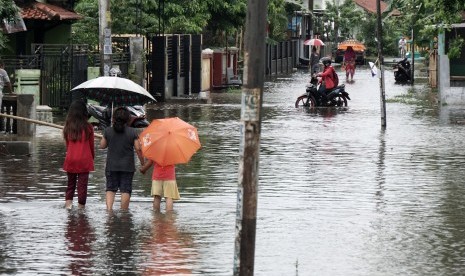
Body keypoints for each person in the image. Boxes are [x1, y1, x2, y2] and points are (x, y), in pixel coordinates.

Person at [100, 106, 144, 211]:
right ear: (128, 119)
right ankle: (124, 213)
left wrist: (105, 136)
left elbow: (102, 146)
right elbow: (138, 149)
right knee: (125, 190)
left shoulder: (108, 131)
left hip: (111, 166)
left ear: (114, 119)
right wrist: (143, 163)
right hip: (127, 167)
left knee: (110, 189)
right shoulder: (133, 132)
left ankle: (109, 211)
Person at [63, 100, 95, 209]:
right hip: (84, 160)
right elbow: (91, 146)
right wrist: (92, 158)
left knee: (70, 185)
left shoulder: (68, 127)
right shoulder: (88, 127)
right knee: (82, 186)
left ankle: (68, 206)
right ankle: (81, 209)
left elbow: (68, 146)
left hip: (70, 159)